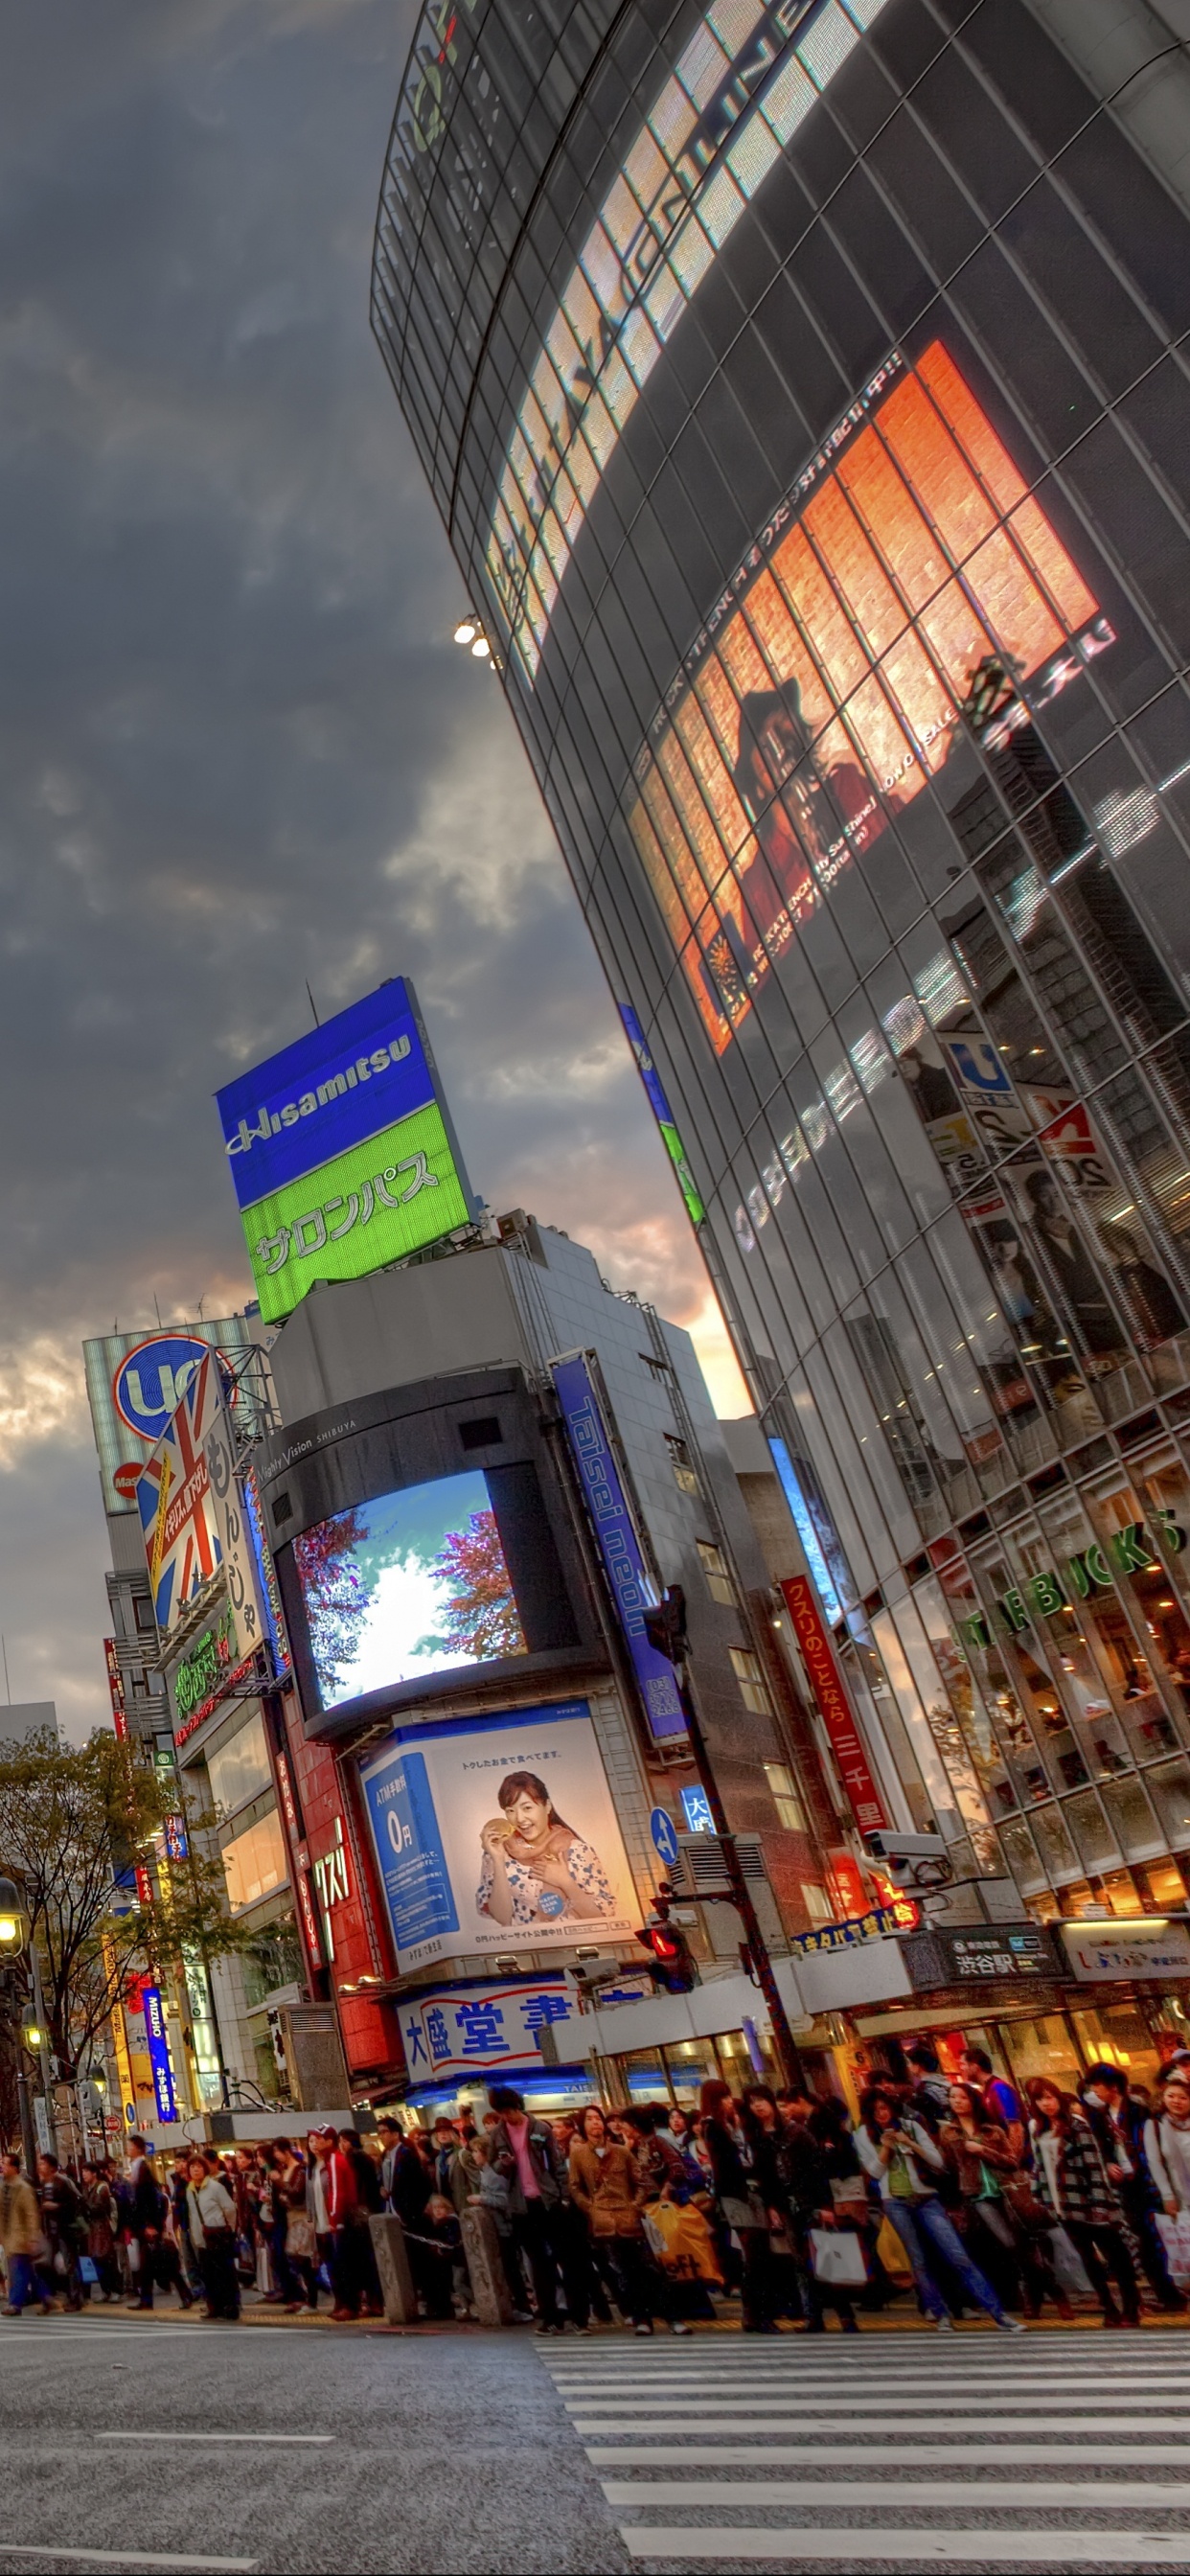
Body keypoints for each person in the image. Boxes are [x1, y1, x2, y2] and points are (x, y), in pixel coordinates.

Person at [856, 2085, 1023, 2333]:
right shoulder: (862, 2134)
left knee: (958, 2255)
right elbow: (873, 2173)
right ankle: (940, 2313)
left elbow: (937, 2161)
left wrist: (910, 2143)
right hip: (895, 2202)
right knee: (919, 2261)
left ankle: (998, 2314)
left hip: (926, 2197)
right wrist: (886, 2149)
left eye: (884, 2107)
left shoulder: (911, 2125)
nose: (881, 2113)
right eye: (875, 2110)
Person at [1027, 2078, 1140, 2327]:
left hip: (1089, 2201)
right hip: (1062, 2205)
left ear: (1057, 2097)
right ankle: (1108, 2307)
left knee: (1115, 2256)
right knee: (1088, 2259)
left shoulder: (1076, 2125)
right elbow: (1039, 2167)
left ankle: (1131, 2307)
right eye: (1040, 2099)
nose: (1046, 2103)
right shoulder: (1038, 2128)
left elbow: (1094, 2166)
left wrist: (1100, 2202)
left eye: (1050, 2097)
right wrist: (1039, 2197)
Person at [569, 2104, 688, 2335]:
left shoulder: (621, 2151)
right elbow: (575, 2187)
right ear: (582, 2125)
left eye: (597, 2118)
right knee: (624, 2271)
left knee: (649, 2266)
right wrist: (591, 2208)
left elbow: (640, 2181)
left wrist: (635, 2205)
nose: (595, 2123)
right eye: (589, 2119)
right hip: (604, 2219)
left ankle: (672, 2317)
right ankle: (642, 2318)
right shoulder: (578, 2155)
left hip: (630, 2216)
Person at [1083, 2064, 1185, 2313]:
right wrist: (1109, 2164)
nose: (1095, 2092)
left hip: (1149, 2183)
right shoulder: (1099, 2116)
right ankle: (1167, 2293)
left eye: (1098, 2086)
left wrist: (1165, 2191)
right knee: (1144, 2242)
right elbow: (1102, 2147)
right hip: (1126, 2186)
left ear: (1113, 2087)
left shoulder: (1139, 2112)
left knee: (1165, 2239)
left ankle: (1175, 2291)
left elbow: (1152, 2154)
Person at [759, 2084, 860, 2334]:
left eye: (763, 2101)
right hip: (786, 2206)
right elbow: (767, 2177)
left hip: (810, 2202)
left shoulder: (797, 2132)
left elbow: (817, 2170)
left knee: (829, 2256)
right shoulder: (760, 2138)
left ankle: (846, 2316)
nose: (758, 2107)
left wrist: (824, 2204)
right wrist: (772, 2205)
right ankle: (813, 2316)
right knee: (801, 2263)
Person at [478, 1771, 618, 1930]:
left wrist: (565, 1882)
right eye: (511, 1810)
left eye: (527, 1808)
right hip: (527, 1944)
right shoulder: (499, 1850)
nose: (520, 1818)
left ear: (547, 1806)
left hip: (578, 1942)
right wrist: (497, 1860)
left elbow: (602, 1917)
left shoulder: (575, 1849)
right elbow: (502, 1918)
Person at [485, 2085, 574, 2334]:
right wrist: (504, 2165)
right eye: (501, 2113)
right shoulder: (498, 2135)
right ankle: (548, 2315)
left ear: (517, 2107)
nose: (506, 2117)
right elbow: (493, 2164)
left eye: (508, 2111)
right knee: (537, 2262)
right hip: (521, 2205)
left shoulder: (540, 2128)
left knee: (561, 2256)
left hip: (547, 2200)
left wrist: (563, 2197)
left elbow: (557, 2164)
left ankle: (573, 2313)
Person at [700, 2079, 780, 2334]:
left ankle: (756, 2314)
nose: (728, 2101)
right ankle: (757, 2314)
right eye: (722, 2098)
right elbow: (725, 2165)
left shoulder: (739, 2122)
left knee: (760, 2255)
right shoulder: (712, 2126)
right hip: (736, 2196)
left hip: (755, 2193)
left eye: (728, 2096)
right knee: (754, 2254)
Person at [309, 2127, 358, 2321]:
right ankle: (341, 2302)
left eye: (318, 2139)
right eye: (312, 2140)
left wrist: (334, 2218)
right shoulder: (321, 2163)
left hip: (338, 2222)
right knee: (333, 2266)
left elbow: (338, 2192)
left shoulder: (334, 2160)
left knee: (342, 2265)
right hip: (326, 2222)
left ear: (329, 2141)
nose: (314, 2143)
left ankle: (350, 2305)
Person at [185, 2154, 240, 2320]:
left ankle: (230, 2308)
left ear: (205, 2169)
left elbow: (229, 2209)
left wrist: (228, 2228)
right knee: (208, 2275)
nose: (196, 2169)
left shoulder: (215, 2187)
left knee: (225, 2273)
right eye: (192, 2167)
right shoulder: (190, 2190)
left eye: (199, 2166)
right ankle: (214, 2307)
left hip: (218, 2236)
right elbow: (193, 2215)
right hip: (202, 2239)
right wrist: (196, 2237)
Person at [0, 2152, 48, 2315]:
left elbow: (31, 2214)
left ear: (14, 2168)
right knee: (28, 2271)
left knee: (19, 2270)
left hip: (22, 2237)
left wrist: (33, 2237)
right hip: (10, 2237)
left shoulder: (23, 2188)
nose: (3, 2167)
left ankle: (15, 2303)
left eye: (6, 2164)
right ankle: (46, 2297)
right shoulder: (4, 2187)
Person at [960, 2046, 1026, 2162]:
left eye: (963, 2064)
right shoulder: (987, 2091)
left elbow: (1015, 2128)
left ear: (975, 2067)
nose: (961, 2068)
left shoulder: (999, 2089)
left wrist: (1012, 2161)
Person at [1144, 2066, 1190, 2234]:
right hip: (1180, 2195)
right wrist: (1167, 2195)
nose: (1176, 2101)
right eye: (1170, 2096)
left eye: (1183, 2097)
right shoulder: (1155, 2125)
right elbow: (1154, 2162)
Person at [123, 2137, 166, 2311]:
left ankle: (148, 2299)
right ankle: (145, 2299)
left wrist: (149, 2224)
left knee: (153, 2261)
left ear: (138, 2148)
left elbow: (148, 2198)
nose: (127, 2149)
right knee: (147, 2263)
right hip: (141, 2222)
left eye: (130, 2146)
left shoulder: (143, 2168)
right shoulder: (136, 2168)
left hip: (146, 2223)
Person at [80, 2164, 121, 2302]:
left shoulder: (101, 2187)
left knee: (107, 2259)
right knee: (97, 2260)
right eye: (83, 2171)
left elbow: (98, 2207)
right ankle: (106, 2290)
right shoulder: (87, 2188)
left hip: (102, 2228)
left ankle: (115, 2290)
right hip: (92, 2229)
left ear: (94, 2173)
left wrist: (84, 2206)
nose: (84, 2174)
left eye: (86, 2171)